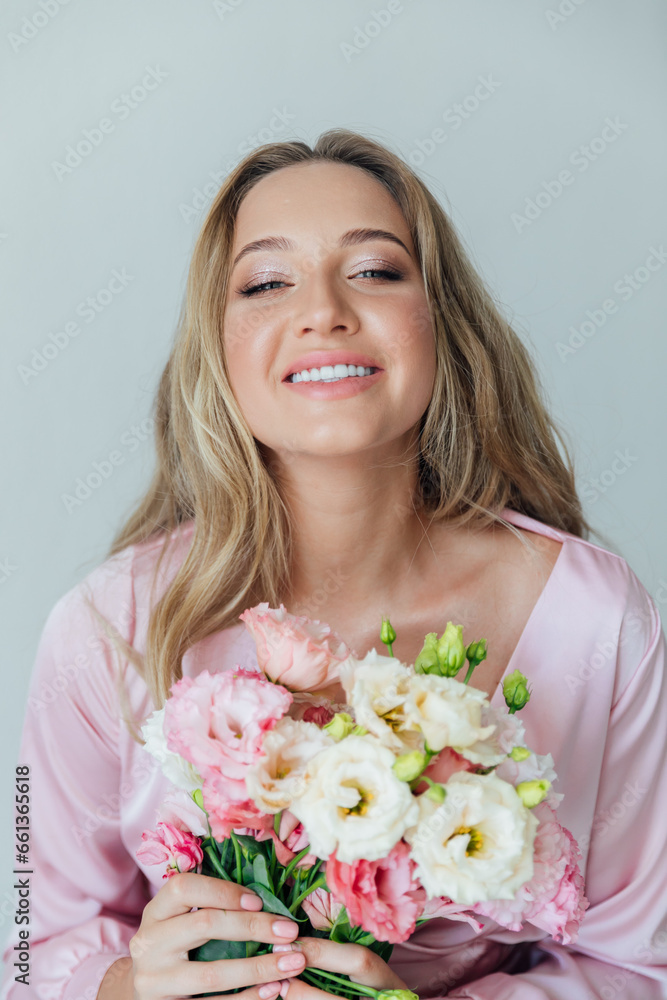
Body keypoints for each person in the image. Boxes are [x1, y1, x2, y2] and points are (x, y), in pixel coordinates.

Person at [2, 128, 666, 1000]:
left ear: (442, 320)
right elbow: (22, 943)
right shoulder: (105, 628)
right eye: (266, 282)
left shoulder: (593, 618)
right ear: (219, 345)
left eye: (375, 270)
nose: (323, 310)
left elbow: (640, 968)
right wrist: (123, 987)